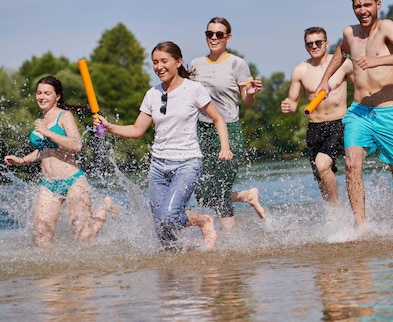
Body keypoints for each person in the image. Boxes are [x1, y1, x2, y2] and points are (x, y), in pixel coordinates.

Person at [95, 41, 233, 249]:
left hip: (187, 163)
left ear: (178, 62)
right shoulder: (152, 94)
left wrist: (225, 146)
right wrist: (109, 126)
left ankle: (203, 220)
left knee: (169, 217)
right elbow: (136, 130)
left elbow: (218, 119)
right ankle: (175, 274)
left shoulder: (194, 89)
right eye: (155, 62)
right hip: (158, 166)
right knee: (163, 231)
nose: (158, 67)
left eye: (164, 61)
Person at [315, 0, 393, 230]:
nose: (362, 10)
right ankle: (361, 227)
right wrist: (324, 80)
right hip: (359, 112)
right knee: (351, 165)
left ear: (378, 4)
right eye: (357, 5)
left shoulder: (387, 28)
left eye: (367, 5)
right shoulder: (349, 33)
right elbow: (341, 52)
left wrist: (377, 61)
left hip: (389, 112)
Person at [4, 76, 117, 247]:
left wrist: (48, 133)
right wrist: (21, 160)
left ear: (57, 96)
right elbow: (44, 150)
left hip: (73, 180)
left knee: (84, 236)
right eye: (39, 93)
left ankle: (104, 207)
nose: (42, 97)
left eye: (47, 93)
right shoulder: (40, 121)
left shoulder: (64, 116)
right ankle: (50, 274)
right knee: (41, 240)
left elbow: (76, 145)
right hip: (48, 184)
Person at [189, 17, 265, 232]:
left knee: (221, 191)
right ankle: (247, 196)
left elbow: (247, 102)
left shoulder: (237, 64)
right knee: (203, 195)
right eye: (210, 33)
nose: (214, 38)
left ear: (228, 37)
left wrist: (250, 94)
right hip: (201, 131)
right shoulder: (195, 64)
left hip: (229, 131)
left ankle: (229, 246)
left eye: (219, 34)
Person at [280, 26, 354, 206]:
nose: (314, 46)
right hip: (315, 127)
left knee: (323, 165)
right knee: (321, 179)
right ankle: (333, 213)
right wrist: (288, 106)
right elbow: (293, 102)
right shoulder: (300, 70)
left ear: (327, 44)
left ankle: (337, 212)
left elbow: (362, 88)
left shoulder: (343, 64)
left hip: (339, 124)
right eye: (309, 44)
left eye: (318, 42)